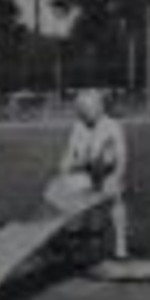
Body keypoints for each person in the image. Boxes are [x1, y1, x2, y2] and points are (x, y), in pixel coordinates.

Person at [42, 89, 131, 258]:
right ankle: (67, 238)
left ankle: (121, 245)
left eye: (89, 109)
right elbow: (67, 157)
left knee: (116, 194)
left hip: (107, 176)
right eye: (82, 110)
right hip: (85, 175)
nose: (85, 114)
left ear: (100, 107)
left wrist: (117, 176)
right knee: (53, 190)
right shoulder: (78, 127)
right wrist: (66, 169)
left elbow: (122, 157)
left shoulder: (113, 126)